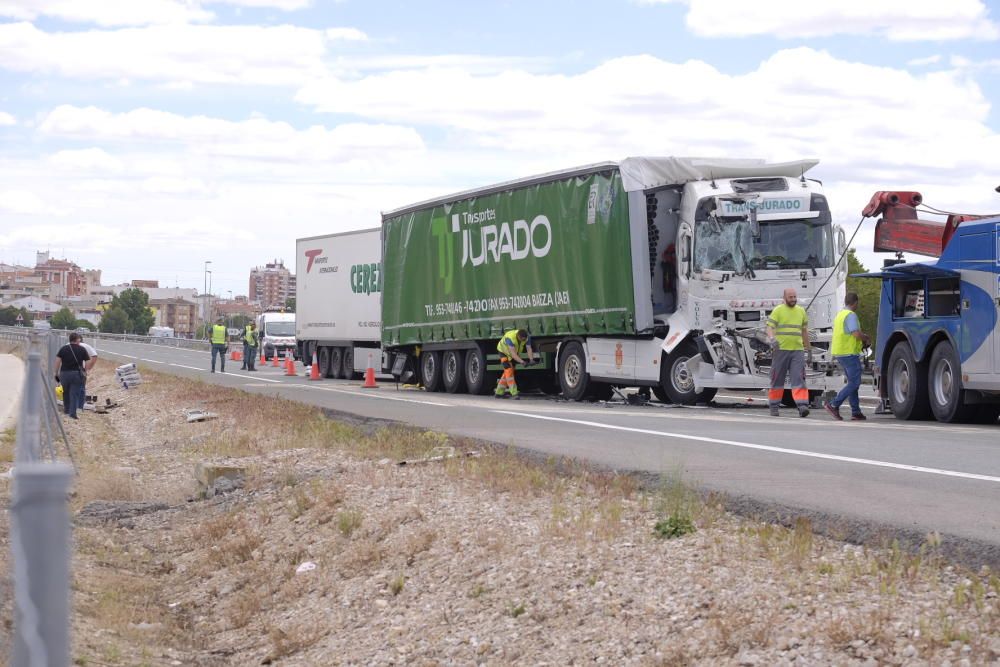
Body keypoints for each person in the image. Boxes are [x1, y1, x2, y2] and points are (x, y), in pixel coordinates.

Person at [825, 292, 871, 421]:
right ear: (855, 302)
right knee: (855, 382)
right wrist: (866, 338)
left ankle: (856, 412)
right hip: (848, 353)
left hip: (839, 352)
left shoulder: (840, 314)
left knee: (852, 383)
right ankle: (833, 404)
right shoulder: (850, 315)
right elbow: (856, 334)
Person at [766, 288, 811, 417]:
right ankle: (774, 406)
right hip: (780, 350)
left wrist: (809, 350)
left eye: (795, 297)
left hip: (797, 350)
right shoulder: (778, 310)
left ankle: (802, 406)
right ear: (784, 298)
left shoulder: (801, 311)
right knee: (777, 379)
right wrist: (772, 339)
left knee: (799, 378)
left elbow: (804, 332)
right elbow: (769, 327)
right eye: (790, 297)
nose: (793, 299)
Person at [53, 332, 90, 420]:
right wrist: (85, 370)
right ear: (77, 340)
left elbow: (57, 361)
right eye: (79, 339)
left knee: (65, 392)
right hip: (77, 374)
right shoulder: (82, 349)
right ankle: (72, 413)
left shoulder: (63, 349)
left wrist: (56, 373)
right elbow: (87, 361)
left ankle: (67, 410)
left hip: (64, 373)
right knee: (74, 393)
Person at [494, 329, 536, 400]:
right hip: (503, 352)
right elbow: (513, 354)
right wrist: (522, 362)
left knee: (507, 373)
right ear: (518, 336)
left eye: (524, 340)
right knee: (509, 371)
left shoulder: (527, 338)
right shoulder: (510, 338)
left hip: (512, 354)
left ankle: (498, 393)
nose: (523, 341)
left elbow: (529, 348)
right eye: (521, 339)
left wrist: (531, 359)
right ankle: (514, 393)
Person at [77, 333, 99, 412]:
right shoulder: (86, 346)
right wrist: (89, 368)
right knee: (81, 388)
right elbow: (95, 355)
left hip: (67, 370)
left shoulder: (67, 345)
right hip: (81, 370)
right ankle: (79, 407)